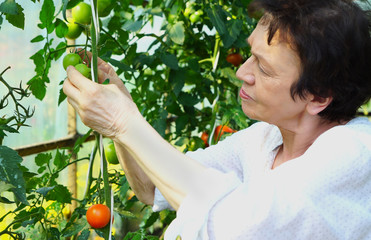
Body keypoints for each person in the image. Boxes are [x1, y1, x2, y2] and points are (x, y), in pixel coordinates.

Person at [63, 0, 371, 239]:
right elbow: (153, 187)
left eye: (263, 68)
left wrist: (123, 120)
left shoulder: (355, 152)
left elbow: (237, 228)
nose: (242, 73)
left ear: (318, 96)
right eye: (250, 55)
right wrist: (119, 114)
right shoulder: (263, 140)